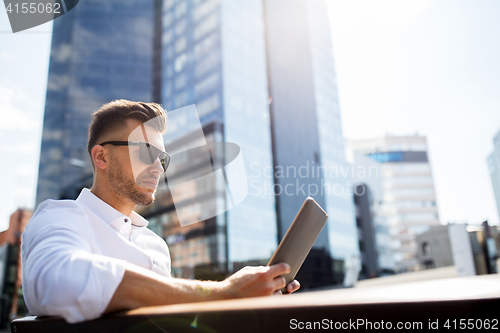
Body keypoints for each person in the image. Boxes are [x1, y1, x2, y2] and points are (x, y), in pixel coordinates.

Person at [21, 100, 300, 324]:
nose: (157, 168)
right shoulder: (59, 216)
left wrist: (253, 299)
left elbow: (176, 323)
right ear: (101, 156)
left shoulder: (156, 245)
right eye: (145, 152)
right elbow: (57, 281)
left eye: (162, 158)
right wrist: (224, 293)